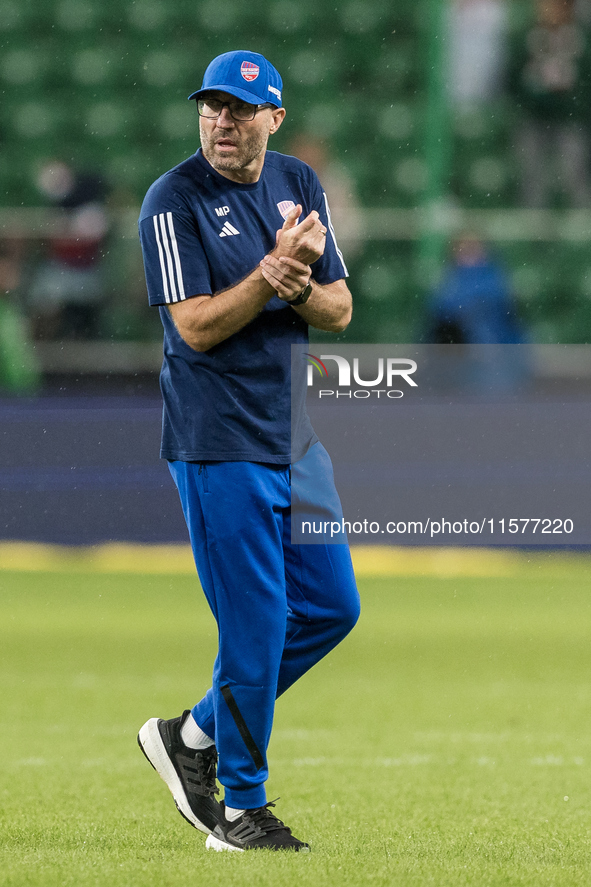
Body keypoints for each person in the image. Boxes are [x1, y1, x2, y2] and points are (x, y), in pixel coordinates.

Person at [136, 50, 360, 853]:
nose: (221, 122)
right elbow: (191, 327)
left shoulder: (297, 183)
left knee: (333, 607)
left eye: (238, 109)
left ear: (274, 117)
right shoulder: (173, 201)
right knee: (256, 627)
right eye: (210, 107)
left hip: (292, 435)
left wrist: (297, 282)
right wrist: (271, 274)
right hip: (217, 440)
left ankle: (191, 734)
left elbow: (336, 307)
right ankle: (240, 811)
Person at [507, 0, 591, 207]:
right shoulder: (528, 36)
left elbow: (584, 80)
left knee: (573, 172)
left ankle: (580, 228)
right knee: (531, 175)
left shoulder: (581, 37)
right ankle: (532, 228)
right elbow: (513, 76)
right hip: (533, 117)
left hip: (570, 118)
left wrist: (573, 103)